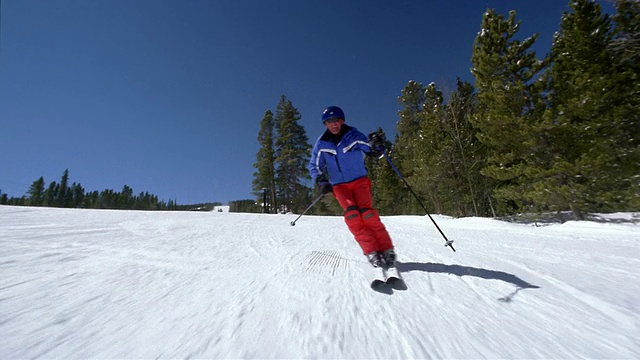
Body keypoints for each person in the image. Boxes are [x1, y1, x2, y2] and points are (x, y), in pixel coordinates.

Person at [308, 105, 396, 269]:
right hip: (340, 186)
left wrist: (377, 145)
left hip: (359, 181)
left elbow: (371, 150)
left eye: (336, 120)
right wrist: (321, 181)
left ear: (342, 121)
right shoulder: (322, 144)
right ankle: (371, 251)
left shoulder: (353, 135)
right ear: (325, 124)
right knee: (352, 216)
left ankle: (386, 249)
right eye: (329, 121)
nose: (333, 124)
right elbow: (315, 165)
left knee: (368, 214)